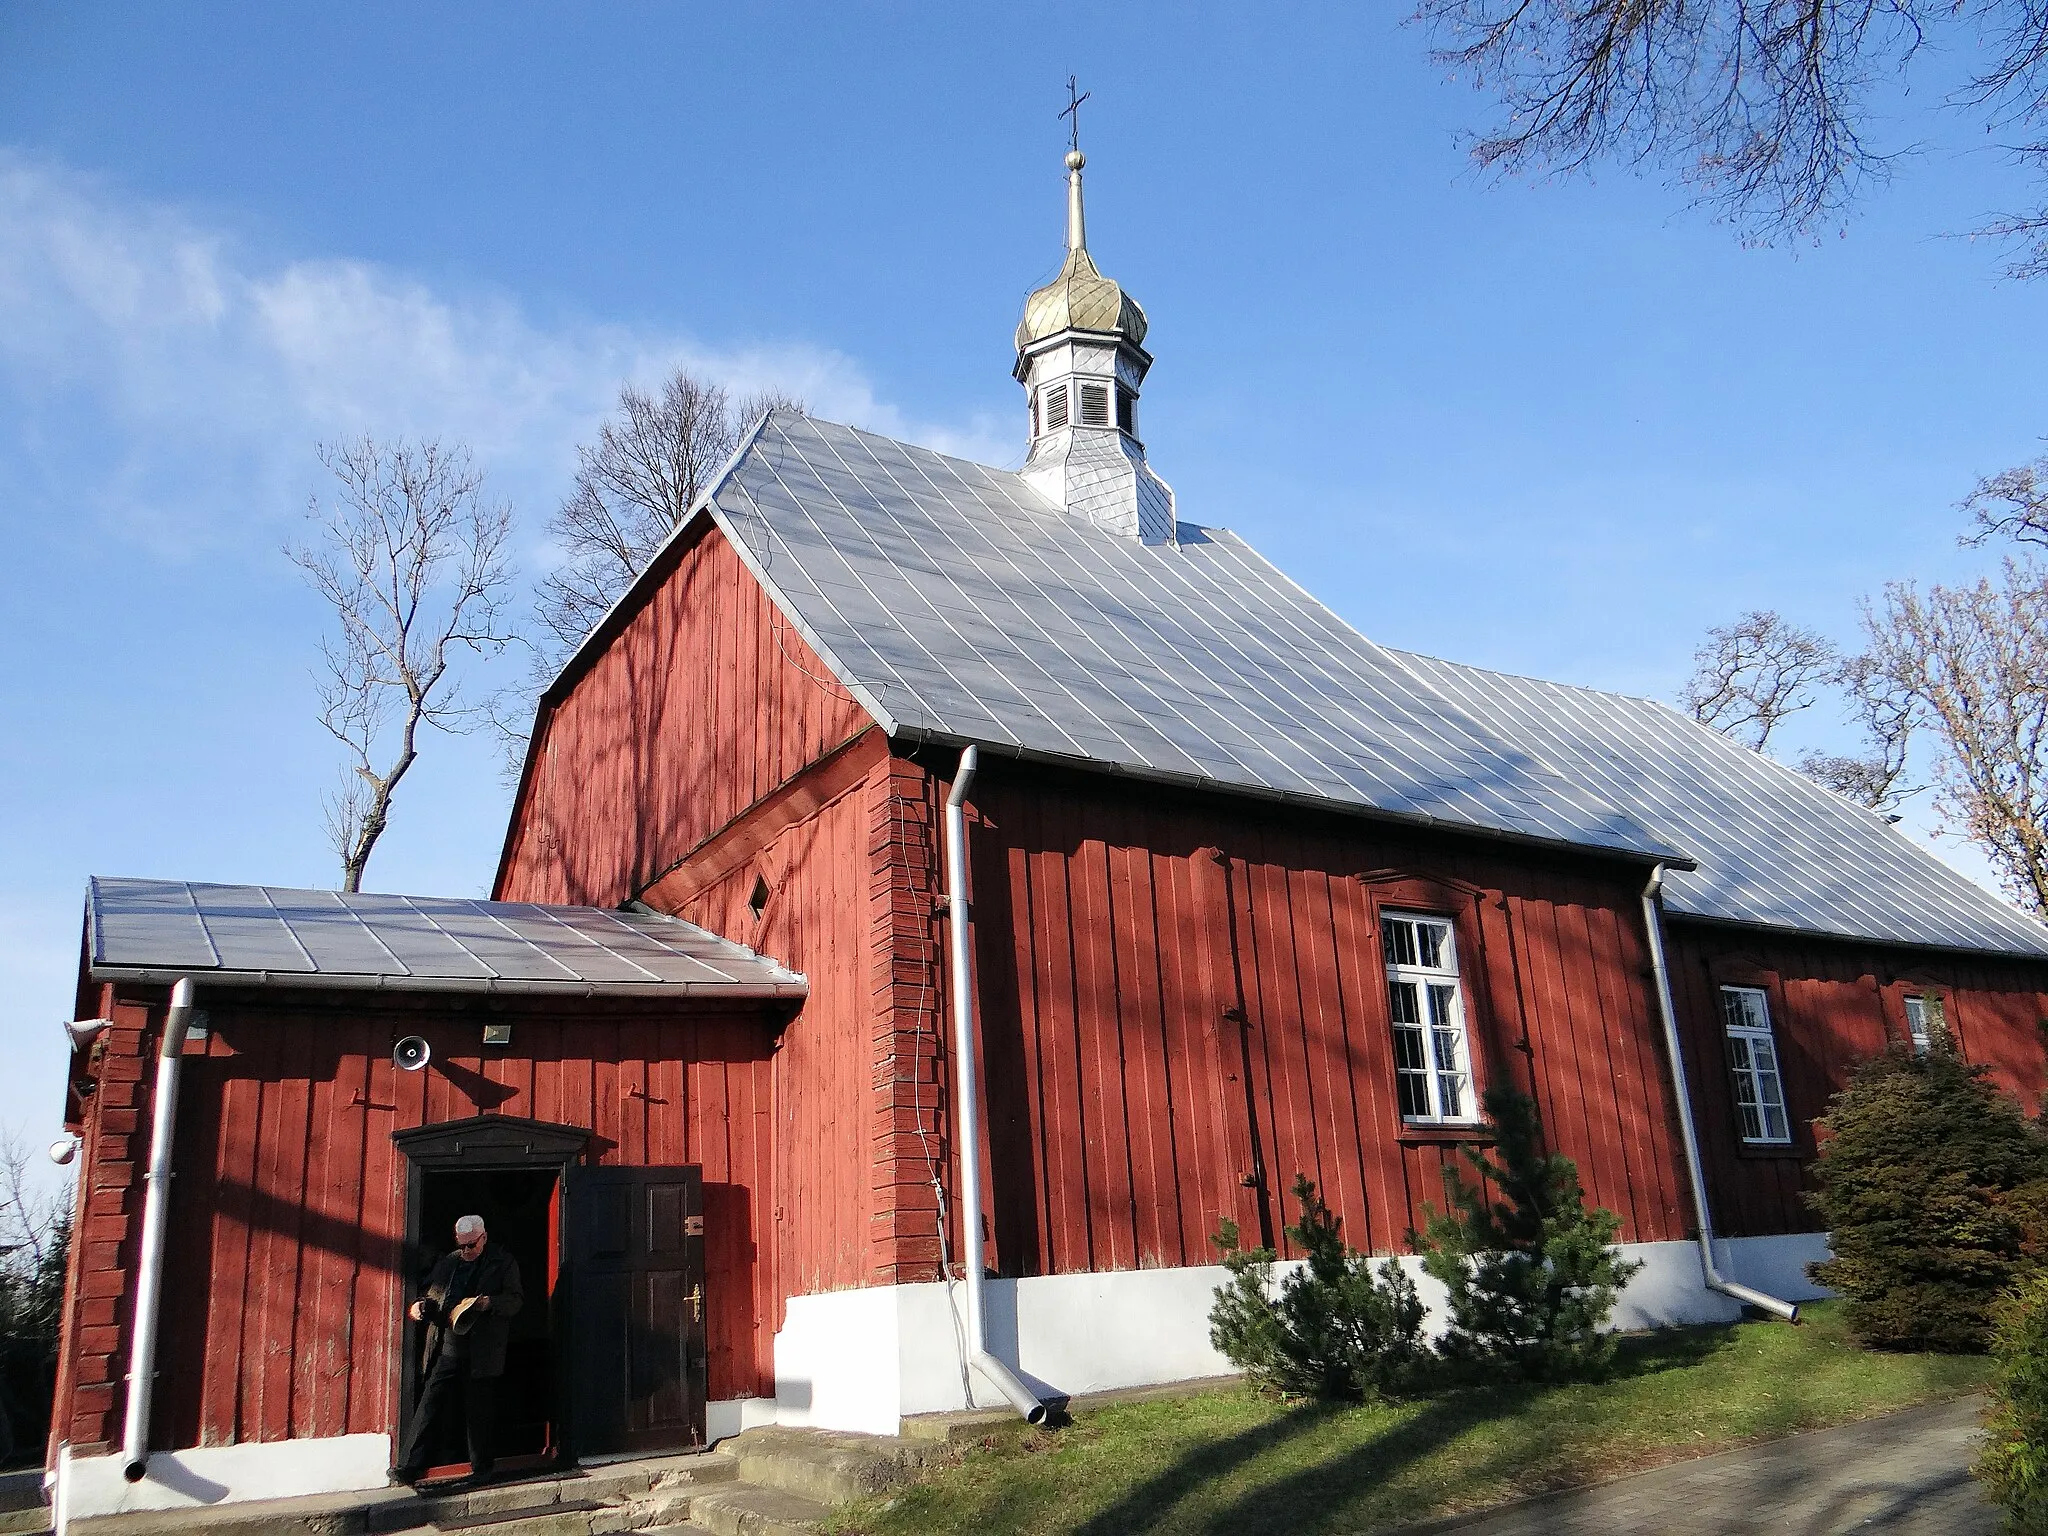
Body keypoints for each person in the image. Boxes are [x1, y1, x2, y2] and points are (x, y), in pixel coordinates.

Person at [389, 1214, 523, 1486]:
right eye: (461, 1245)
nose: (465, 1251)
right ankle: (409, 1467)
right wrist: (420, 1306)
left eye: (470, 1245)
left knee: (479, 1413)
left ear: (483, 1237)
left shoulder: (502, 1262)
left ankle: (482, 1470)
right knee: (429, 1404)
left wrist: (490, 1303)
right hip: (448, 1346)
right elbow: (432, 1294)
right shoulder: (450, 1262)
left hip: (482, 1350)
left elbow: (516, 1300)